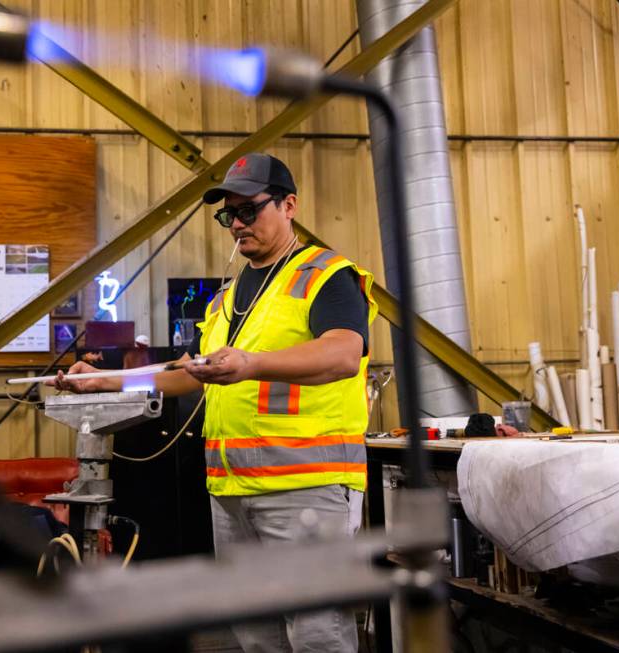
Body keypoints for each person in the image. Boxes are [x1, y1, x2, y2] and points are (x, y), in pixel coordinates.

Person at [51, 153, 376, 653]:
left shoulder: (326, 274)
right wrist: (105, 381)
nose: (237, 225)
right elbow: (190, 374)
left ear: (289, 205)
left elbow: (343, 353)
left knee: (315, 634)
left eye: (249, 211)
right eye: (229, 216)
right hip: (231, 492)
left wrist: (250, 364)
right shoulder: (224, 299)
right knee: (255, 634)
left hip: (306, 488)